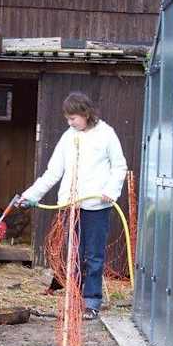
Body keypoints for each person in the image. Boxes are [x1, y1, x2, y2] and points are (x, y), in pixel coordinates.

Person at [17, 92, 127, 319]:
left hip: (96, 206)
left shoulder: (106, 134)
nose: (70, 122)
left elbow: (119, 166)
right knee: (72, 255)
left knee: (94, 255)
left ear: (86, 113)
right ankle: (74, 299)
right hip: (70, 205)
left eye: (73, 118)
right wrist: (29, 196)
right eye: (67, 118)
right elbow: (53, 172)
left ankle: (92, 302)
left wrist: (110, 191)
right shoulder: (68, 137)